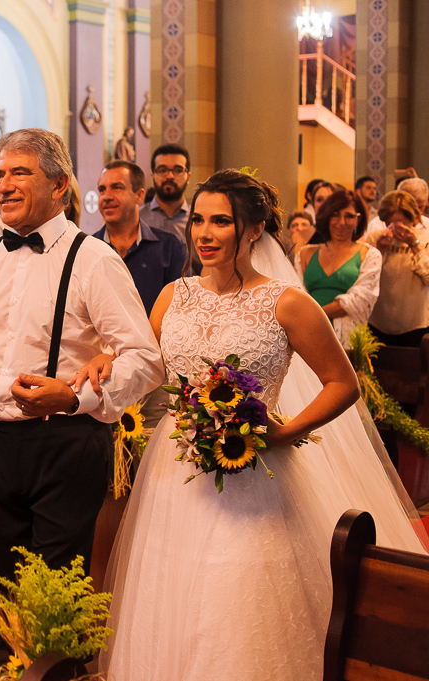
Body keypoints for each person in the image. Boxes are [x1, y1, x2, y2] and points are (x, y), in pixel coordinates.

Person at [96, 169, 427, 681]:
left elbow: (342, 383)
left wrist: (285, 432)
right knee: (170, 590)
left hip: (256, 474)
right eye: (199, 221)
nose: (204, 234)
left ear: (253, 229)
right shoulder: (173, 296)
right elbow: (143, 367)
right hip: (174, 471)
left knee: (234, 596)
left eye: (221, 222)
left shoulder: (287, 302)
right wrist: (104, 360)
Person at [0, 128, 163, 581]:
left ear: (59, 184)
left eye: (20, 173)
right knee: (8, 583)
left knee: (54, 590)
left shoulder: (93, 259)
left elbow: (144, 359)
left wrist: (74, 397)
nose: (3, 186)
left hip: (68, 442)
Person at [93, 161, 186, 315]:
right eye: (102, 190)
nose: (106, 197)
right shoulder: (87, 250)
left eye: (117, 187)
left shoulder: (170, 248)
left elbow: (181, 311)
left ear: (139, 195)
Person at [295, 190, 381, 349]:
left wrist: (314, 316)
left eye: (349, 216)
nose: (342, 222)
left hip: (347, 340)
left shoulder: (370, 255)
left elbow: (360, 301)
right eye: (335, 215)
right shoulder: (305, 254)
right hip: (308, 335)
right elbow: (297, 296)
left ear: (358, 219)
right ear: (326, 217)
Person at [364, 190, 429, 346]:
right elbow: (365, 279)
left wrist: (415, 245)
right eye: (391, 224)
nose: (398, 229)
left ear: (413, 219)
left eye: (403, 223)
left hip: (415, 323)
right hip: (379, 322)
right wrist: (379, 250)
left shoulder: (425, 239)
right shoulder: (375, 238)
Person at [138, 143, 191, 244]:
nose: (170, 176)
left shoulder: (197, 220)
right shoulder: (137, 219)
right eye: (162, 170)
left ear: (188, 177)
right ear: (152, 176)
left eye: (178, 170)